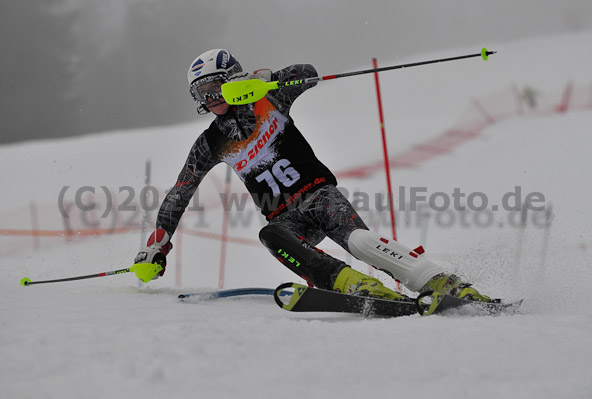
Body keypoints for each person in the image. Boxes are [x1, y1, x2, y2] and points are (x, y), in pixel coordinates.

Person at [133, 48, 491, 302]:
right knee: (271, 235)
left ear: (231, 81)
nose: (208, 99)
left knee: (360, 242)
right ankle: (349, 284)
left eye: (213, 89)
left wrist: (269, 79)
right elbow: (179, 193)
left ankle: (441, 281)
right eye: (200, 93)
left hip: (319, 196)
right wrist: (157, 246)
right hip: (285, 217)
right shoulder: (211, 141)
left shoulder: (268, 99)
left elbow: (309, 73)